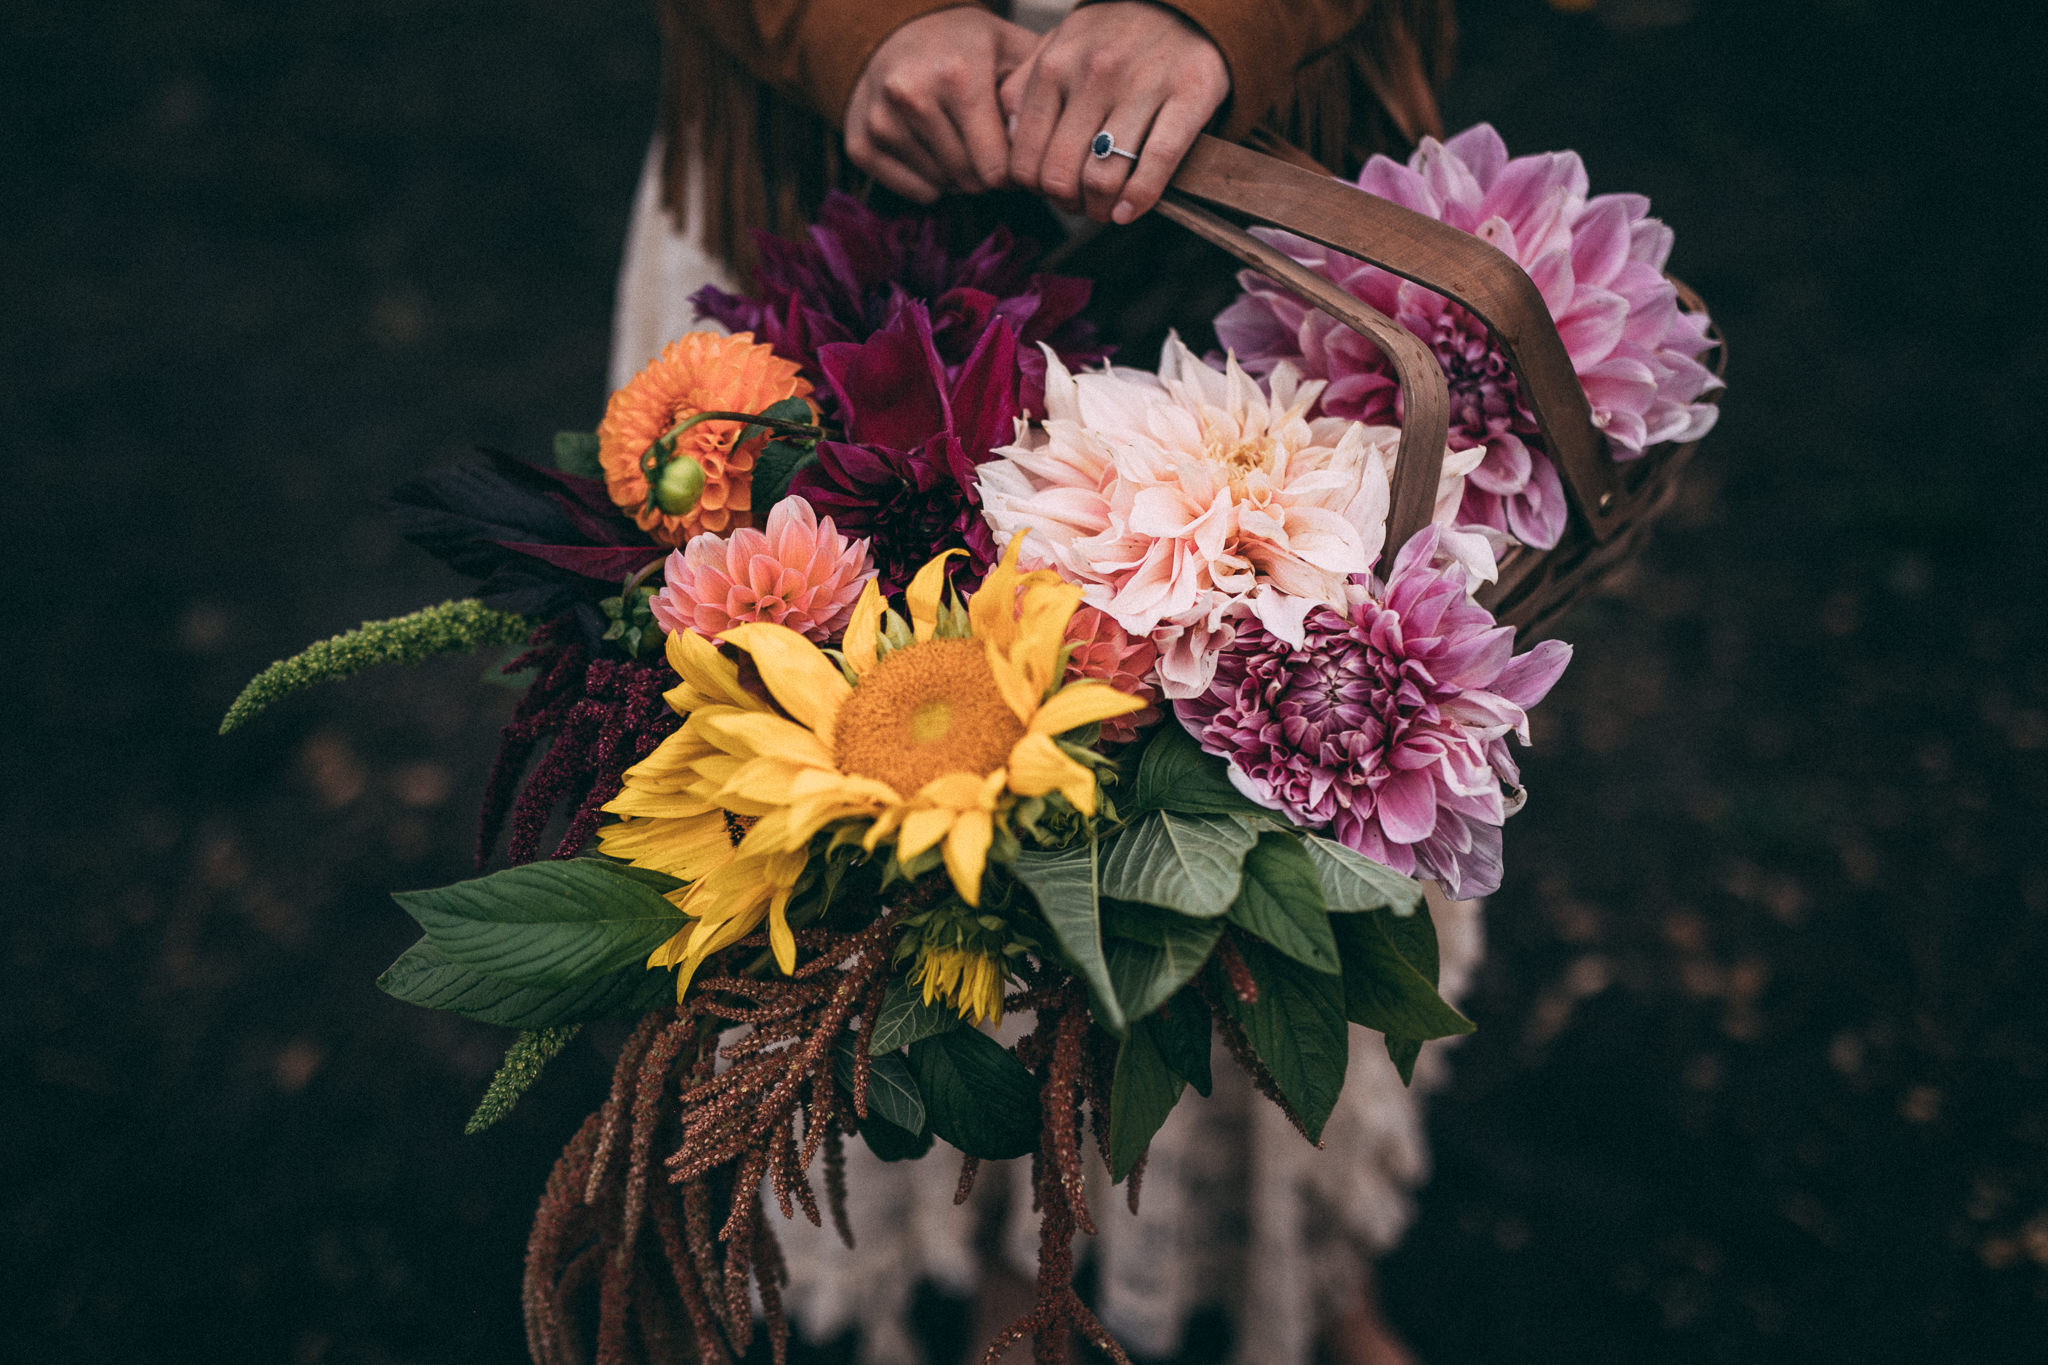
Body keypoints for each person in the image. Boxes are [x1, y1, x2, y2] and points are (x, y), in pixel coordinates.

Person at [607, 6, 1474, 1365]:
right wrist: (853, 24)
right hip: (820, 199)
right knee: (880, 854)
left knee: (1313, 802)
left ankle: (1304, 1263)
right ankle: (1019, 1289)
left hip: (1268, 187)